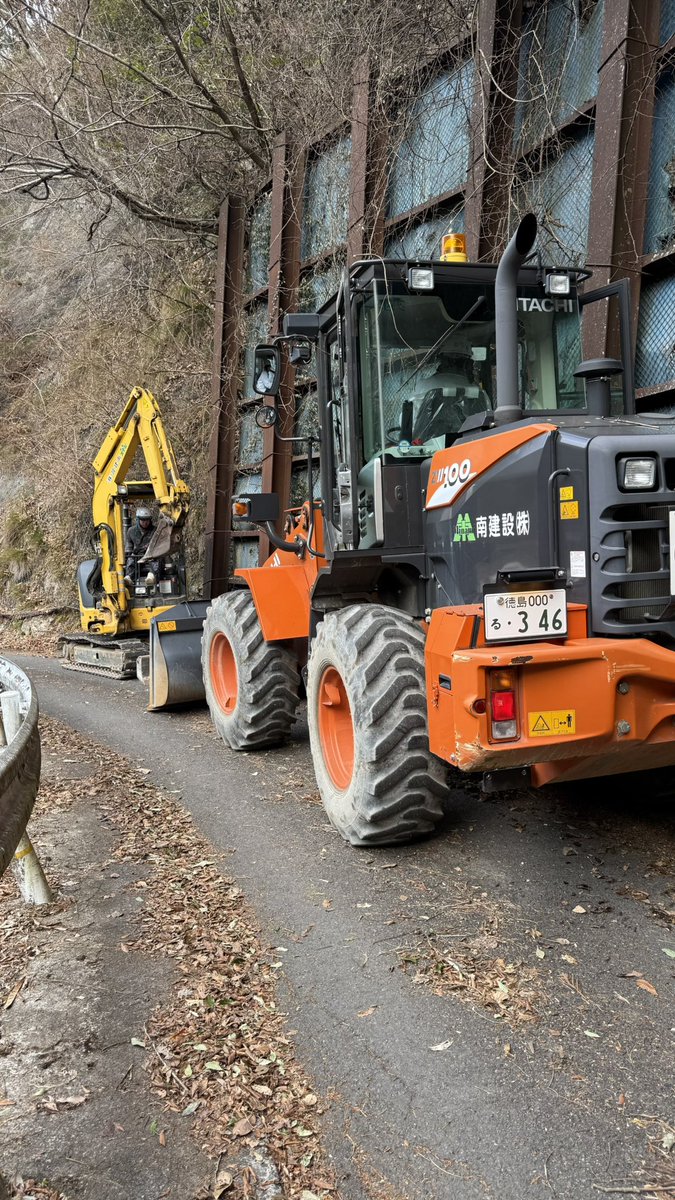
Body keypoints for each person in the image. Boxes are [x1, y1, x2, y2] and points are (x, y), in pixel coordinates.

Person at [125, 506, 155, 577]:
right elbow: (129, 547)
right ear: (138, 520)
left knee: (157, 561)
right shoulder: (131, 531)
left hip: (152, 555)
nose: (145, 522)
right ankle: (129, 578)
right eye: (143, 520)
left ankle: (152, 576)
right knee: (131, 560)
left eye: (147, 520)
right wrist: (128, 555)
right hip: (138, 555)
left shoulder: (155, 530)